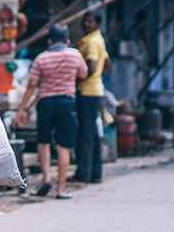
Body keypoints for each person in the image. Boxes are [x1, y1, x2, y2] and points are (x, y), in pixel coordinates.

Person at [16, 24, 88, 199]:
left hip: (46, 103)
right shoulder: (75, 55)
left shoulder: (41, 58)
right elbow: (84, 74)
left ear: (49, 41)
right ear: (67, 40)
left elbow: (32, 85)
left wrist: (22, 108)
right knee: (64, 146)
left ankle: (47, 179)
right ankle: (61, 189)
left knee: (43, 142)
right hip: (66, 102)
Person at [76, 12, 109, 184]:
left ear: (97, 23)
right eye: (85, 21)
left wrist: (76, 80)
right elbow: (107, 65)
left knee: (86, 134)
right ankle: (95, 173)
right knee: (93, 135)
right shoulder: (98, 39)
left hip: (87, 92)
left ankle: (85, 173)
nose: (86, 24)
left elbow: (92, 66)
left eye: (90, 21)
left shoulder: (92, 41)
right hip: (96, 90)